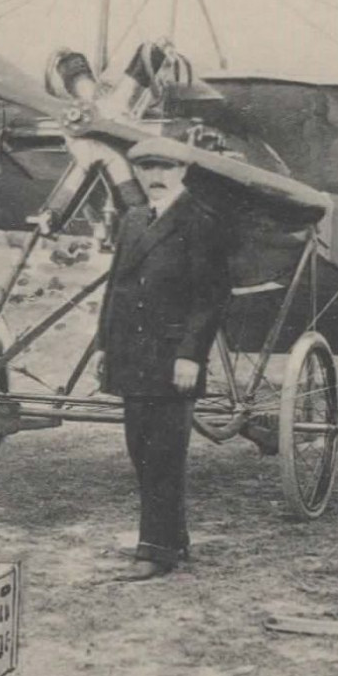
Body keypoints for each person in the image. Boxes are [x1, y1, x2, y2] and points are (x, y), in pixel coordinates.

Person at [96, 139, 231, 582]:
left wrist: (191, 355)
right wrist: (103, 345)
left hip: (173, 359)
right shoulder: (134, 219)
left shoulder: (200, 222)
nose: (155, 176)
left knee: (163, 454)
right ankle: (173, 538)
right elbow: (116, 288)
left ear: (183, 172)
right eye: (147, 167)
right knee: (141, 450)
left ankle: (155, 551)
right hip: (133, 356)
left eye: (165, 168)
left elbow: (209, 299)